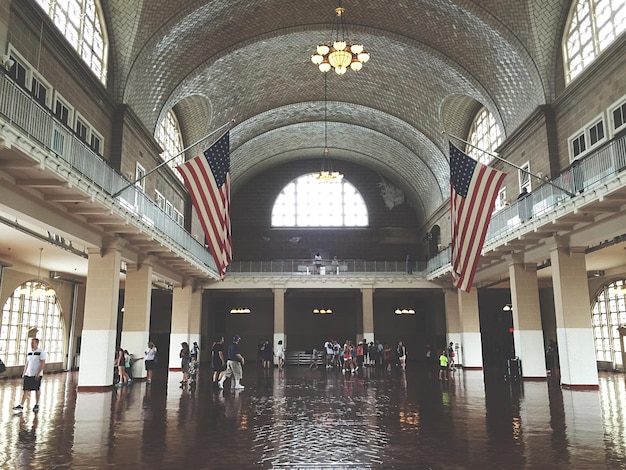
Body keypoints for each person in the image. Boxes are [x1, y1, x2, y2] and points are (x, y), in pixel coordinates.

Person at [13, 338, 46, 412]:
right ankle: (21, 405)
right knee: (26, 389)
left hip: (36, 374)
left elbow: (43, 363)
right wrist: (24, 373)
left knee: (37, 389)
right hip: (28, 374)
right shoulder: (29, 352)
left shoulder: (41, 352)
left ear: (37, 343)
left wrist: (38, 373)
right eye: (31, 343)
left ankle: (37, 404)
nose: (32, 344)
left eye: (33, 343)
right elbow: (27, 363)